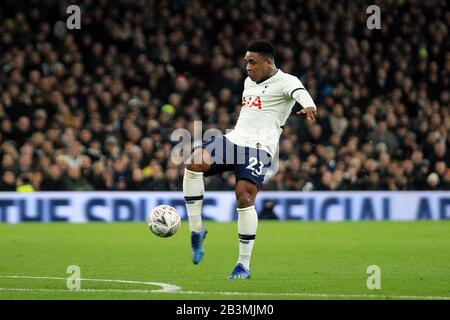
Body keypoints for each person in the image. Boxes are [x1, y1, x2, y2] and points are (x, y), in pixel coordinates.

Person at [183, 40, 317, 279]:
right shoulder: (248, 82)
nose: (247, 67)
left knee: (244, 198)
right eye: (246, 62)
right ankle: (196, 229)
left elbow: (301, 94)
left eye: (252, 62)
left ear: (268, 62)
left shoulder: (288, 81)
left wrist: (308, 106)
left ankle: (243, 265)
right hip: (234, 139)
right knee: (194, 161)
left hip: (257, 148)